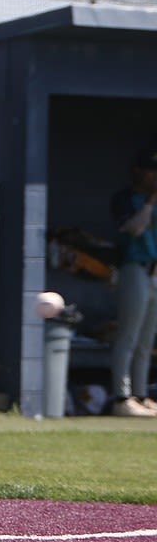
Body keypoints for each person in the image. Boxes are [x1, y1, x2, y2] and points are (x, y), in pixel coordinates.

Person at [107, 144, 157, 418]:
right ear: (138, 171)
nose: (154, 177)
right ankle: (121, 397)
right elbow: (135, 228)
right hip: (133, 268)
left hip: (155, 271)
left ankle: (141, 394)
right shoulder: (125, 198)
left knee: (147, 340)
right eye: (150, 171)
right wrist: (150, 202)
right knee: (129, 335)